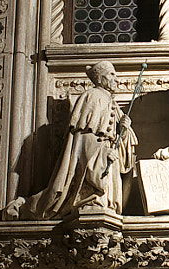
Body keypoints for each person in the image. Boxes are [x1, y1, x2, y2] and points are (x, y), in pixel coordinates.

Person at [38, 61, 137, 216]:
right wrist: (103, 153)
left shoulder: (113, 103)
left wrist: (123, 130)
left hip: (108, 160)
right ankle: (91, 200)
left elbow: (124, 144)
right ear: (100, 78)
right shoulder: (92, 96)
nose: (116, 79)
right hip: (97, 159)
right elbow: (83, 138)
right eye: (112, 74)